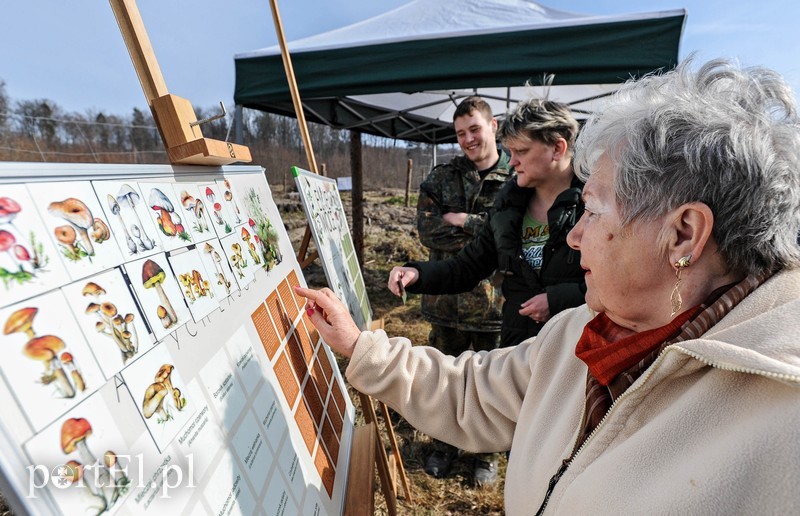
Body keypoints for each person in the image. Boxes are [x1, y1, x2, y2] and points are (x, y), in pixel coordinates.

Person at [297, 58, 800, 514]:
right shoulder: (581, 334)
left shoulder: (782, 417)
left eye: (594, 211)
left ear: (683, 234)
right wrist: (360, 346)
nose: (576, 236)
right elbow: (473, 391)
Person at [389, 98, 586, 349]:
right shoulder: (509, 207)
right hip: (519, 349)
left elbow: (618, 286)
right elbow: (467, 267)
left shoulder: (595, 206)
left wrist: (558, 300)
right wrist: (417, 273)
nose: (512, 162)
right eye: (511, 152)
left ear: (557, 148)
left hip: (576, 348)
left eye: (522, 152)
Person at [413, 96, 512, 484]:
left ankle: (486, 452)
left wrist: (465, 221)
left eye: (474, 129)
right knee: (444, 380)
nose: (468, 139)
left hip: (494, 307)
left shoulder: (516, 177)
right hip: (447, 303)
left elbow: (512, 235)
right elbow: (427, 230)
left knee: (492, 383)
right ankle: (444, 444)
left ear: (493, 126)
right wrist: (486, 232)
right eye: (460, 133)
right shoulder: (442, 178)